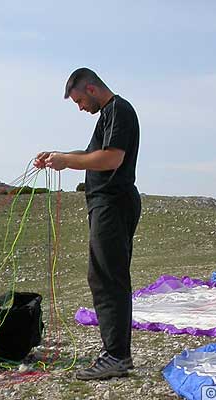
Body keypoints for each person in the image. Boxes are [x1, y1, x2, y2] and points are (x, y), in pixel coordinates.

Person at [34, 67, 141, 380]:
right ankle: (116, 353)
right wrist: (60, 155)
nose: (80, 107)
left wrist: (67, 162)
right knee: (105, 276)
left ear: (92, 89)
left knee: (108, 278)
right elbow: (93, 153)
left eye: (80, 100)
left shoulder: (119, 110)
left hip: (113, 203)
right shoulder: (108, 115)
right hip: (105, 205)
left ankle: (116, 356)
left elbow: (111, 159)